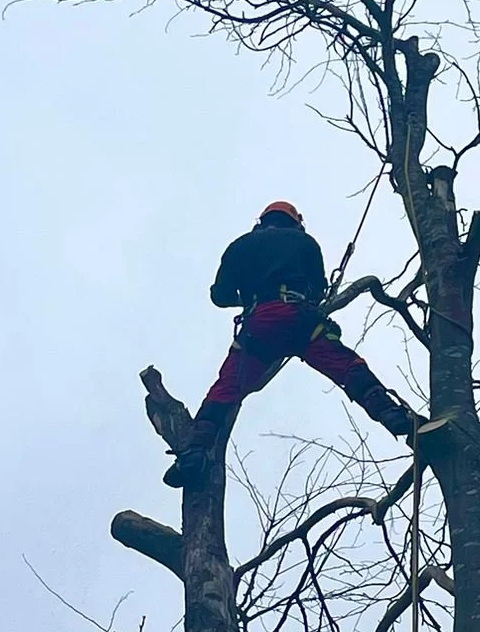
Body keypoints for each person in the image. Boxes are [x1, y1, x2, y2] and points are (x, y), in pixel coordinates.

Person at [163, 201, 418, 487]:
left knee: (226, 388)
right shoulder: (305, 242)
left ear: (261, 221)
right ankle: (391, 414)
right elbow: (318, 289)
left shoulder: (240, 246)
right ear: (295, 222)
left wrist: (251, 300)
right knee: (346, 365)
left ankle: (194, 454)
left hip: (261, 324)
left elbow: (220, 296)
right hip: (301, 319)